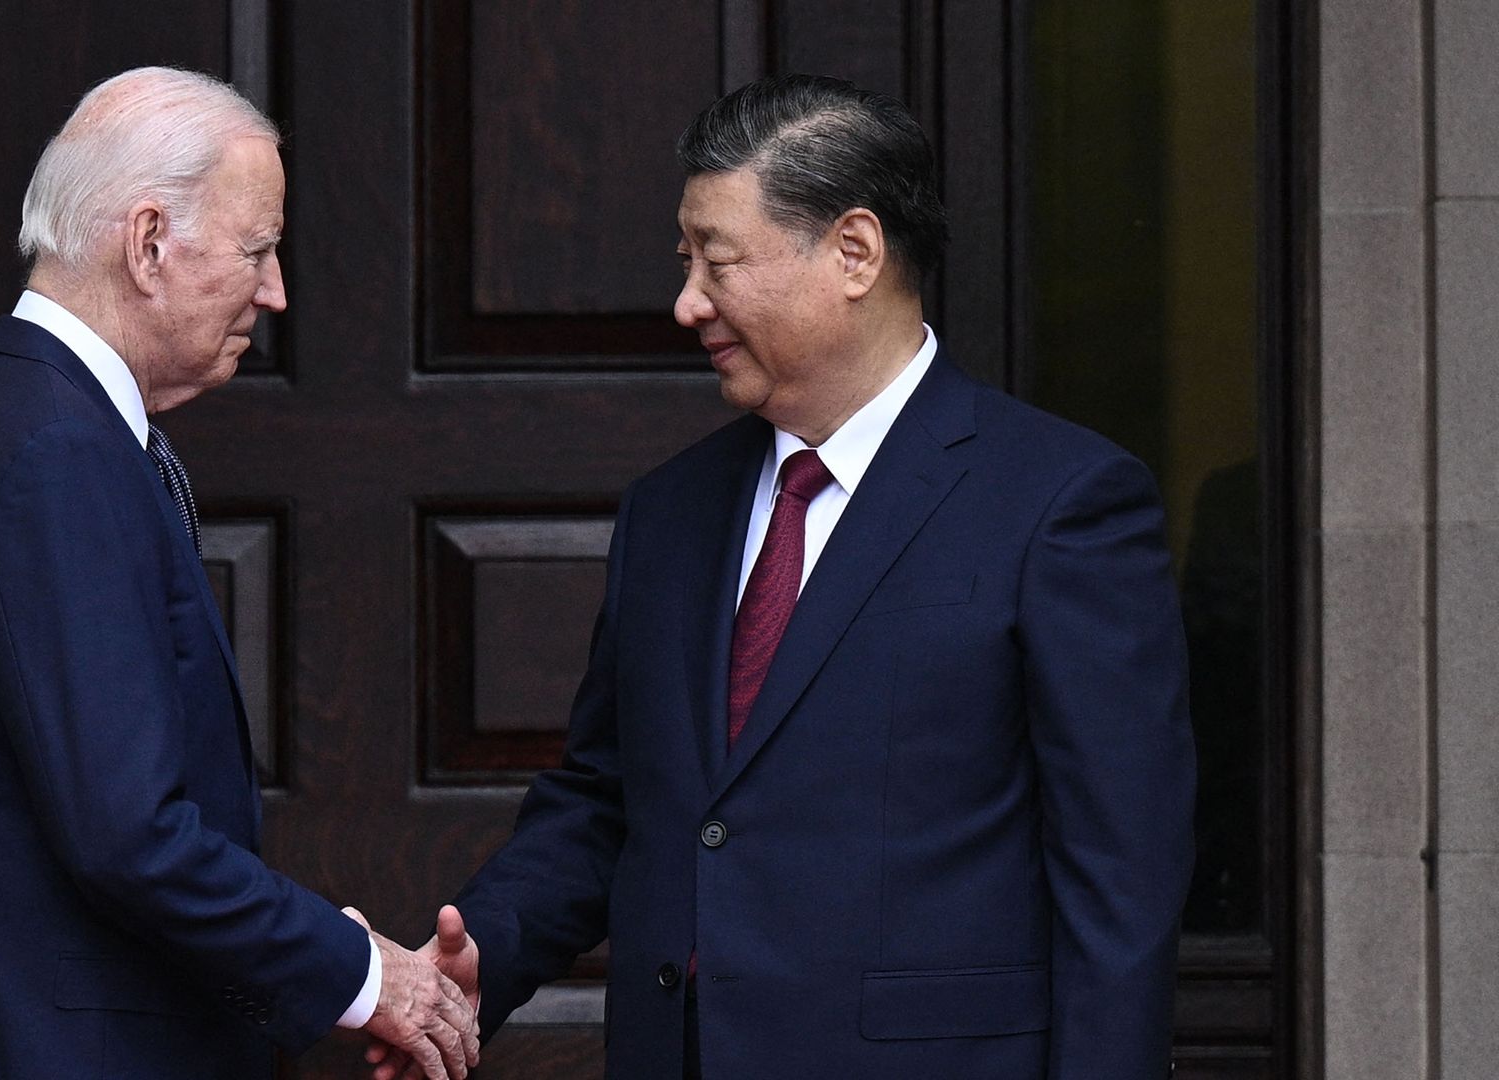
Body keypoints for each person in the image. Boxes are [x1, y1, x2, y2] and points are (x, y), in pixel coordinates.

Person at [376, 73, 1195, 1079]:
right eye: (685, 262)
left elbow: (1121, 875)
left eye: (717, 262)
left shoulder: (1058, 503)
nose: (687, 304)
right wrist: (476, 966)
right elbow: (605, 802)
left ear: (854, 252)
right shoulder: (671, 512)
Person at [0, 67, 478, 1080]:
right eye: (257, 251)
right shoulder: (56, 452)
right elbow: (126, 836)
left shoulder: (12, 418)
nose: (274, 292)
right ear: (148, 244)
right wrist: (361, 971)